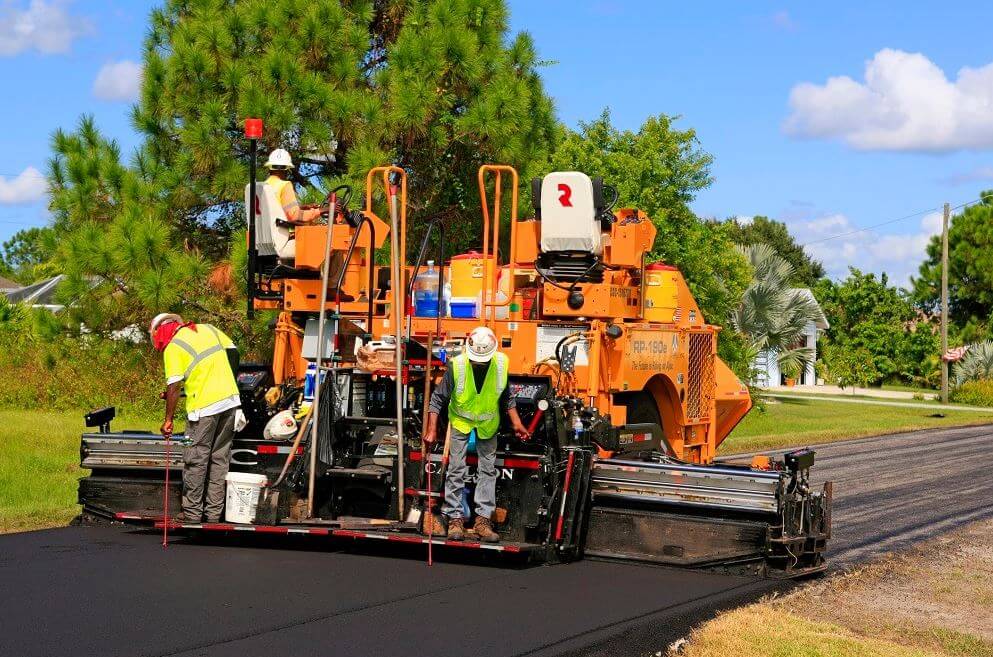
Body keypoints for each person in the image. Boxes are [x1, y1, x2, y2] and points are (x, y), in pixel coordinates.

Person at [423, 326, 530, 542]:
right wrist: (432, 429)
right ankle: (455, 519)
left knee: (487, 471)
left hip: (487, 424)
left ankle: (483, 521)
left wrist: (517, 423)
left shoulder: (501, 364)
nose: (478, 363)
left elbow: (506, 397)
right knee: (456, 469)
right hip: (461, 422)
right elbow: (437, 399)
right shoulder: (457, 365)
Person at [150, 313, 241, 523]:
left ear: (159, 333)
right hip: (230, 402)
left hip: (203, 410)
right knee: (219, 460)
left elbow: (174, 387)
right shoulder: (208, 328)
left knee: (196, 460)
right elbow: (234, 353)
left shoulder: (174, 347)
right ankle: (213, 515)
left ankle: (192, 515)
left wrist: (168, 419)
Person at [264, 148, 322, 225]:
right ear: (287, 170)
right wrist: (321, 210)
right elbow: (295, 215)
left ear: (269, 168)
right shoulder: (284, 185)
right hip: (280, 231)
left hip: (263, 230)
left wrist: (302, 207)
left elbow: (274, 211)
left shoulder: (263, 186)